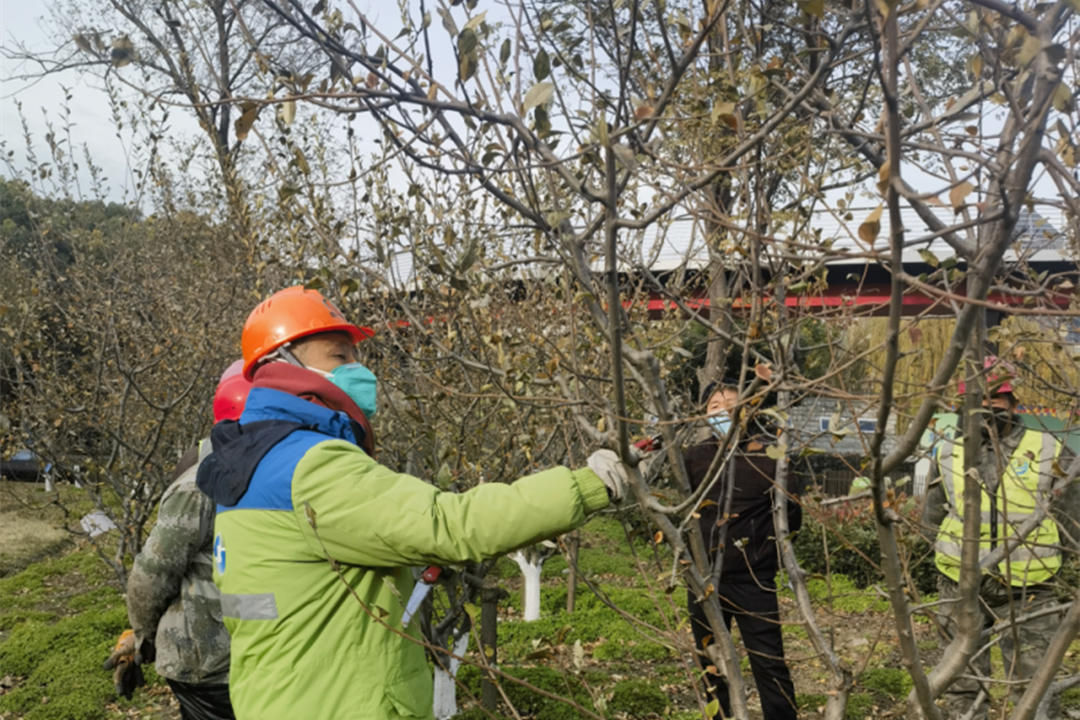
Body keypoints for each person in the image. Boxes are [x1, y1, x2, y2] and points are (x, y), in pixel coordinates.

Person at [195, 285, 630, 719]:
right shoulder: (312, 466)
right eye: (339, 356)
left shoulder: (255, 461)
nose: (358, 370)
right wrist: (587, 485)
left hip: (284, 697)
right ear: (281, 364)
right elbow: (451, 524)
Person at [922, 356, 1075, 719]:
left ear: (1013, 402)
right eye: (978, 400)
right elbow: (931, 514)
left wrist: (1055, 560)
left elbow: (1072, 515)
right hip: (960, 583)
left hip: (1029, 588)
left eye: (997, 398)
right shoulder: (947, 449)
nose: (988, 407)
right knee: (962, 684)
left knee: (1034, 684)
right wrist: (946, 557)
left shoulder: (1048, 447)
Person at [105, 366, 253, 720]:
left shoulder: (273, 470)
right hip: (212, 662)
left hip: (252, 652)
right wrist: (142, 639)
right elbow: (153, 573)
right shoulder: (202, 483)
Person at [684, 379, 800, 720]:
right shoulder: (694, 458)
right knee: (711, 663)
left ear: (749, 410)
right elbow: (682, 512)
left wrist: (764, 550)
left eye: (733, 406)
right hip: (703, 579)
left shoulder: (770, 454)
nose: (725, 414)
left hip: (754, 576)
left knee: (769, 661)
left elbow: (791, 513)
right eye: (715, 408)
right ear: (704, 415)